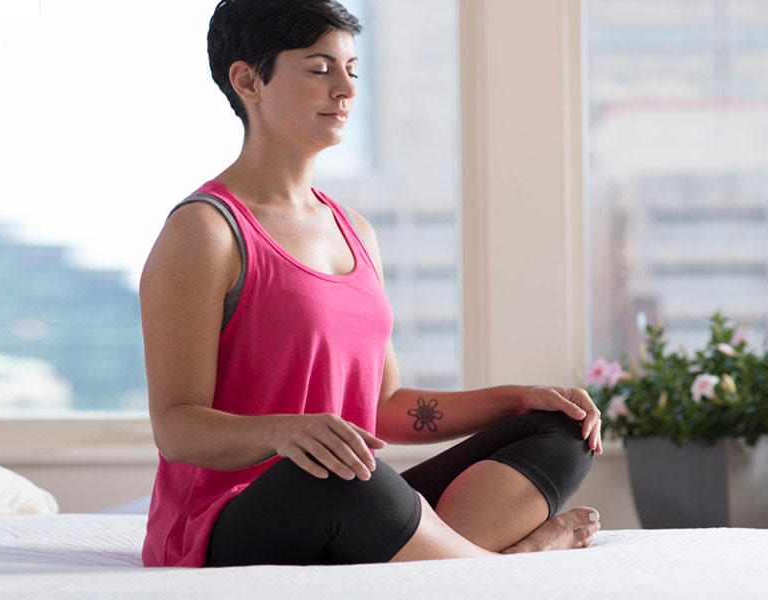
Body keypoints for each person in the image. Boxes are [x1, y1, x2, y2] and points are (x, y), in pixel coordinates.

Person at [140, 0, 602, 568]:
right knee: (346, 480)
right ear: (247, 80)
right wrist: (286, 432)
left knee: (563, 427)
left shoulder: (354, 230)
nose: (346, 90)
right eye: (319, 68)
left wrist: (517, 399)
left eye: (352, 70)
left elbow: (381, 409)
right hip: (232, 519)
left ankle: (431, 554)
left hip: (353, 493)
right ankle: (506, 563)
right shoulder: (205, 232)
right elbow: (176, 426)